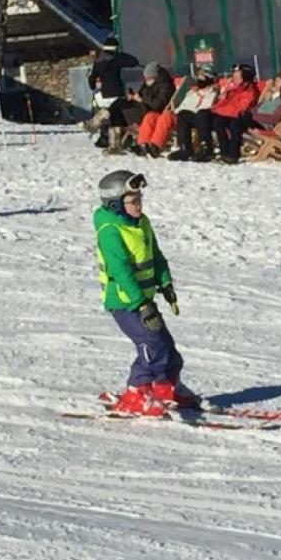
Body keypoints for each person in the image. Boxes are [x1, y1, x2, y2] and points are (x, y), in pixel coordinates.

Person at [94, 170, 199, 415]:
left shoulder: (142, 223)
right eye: (133, 201)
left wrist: (166, 284)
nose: (139, 205)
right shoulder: (110, 230)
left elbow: (156, 256)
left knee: (167, 347)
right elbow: (120, 270)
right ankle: (136, 392)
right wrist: (141, 304)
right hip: (125, 302)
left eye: (140, 199)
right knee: (150, 345)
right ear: (116, 204)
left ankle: (168, 387)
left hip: (144, 299)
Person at [86, 36, 140, 149]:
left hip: (102, 94)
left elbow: (91, 79)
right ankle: (115, 141)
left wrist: (93, 86)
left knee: (108, 113)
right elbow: (134, 62)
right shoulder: (116, 59)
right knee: (116, 114)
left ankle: (101, 134)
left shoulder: (99, 60)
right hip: (116, 93)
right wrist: (121, 54)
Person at [209, 63, 261, 164]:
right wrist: (214, 109)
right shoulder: (234, 89)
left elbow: (240, 108)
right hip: (230, 115)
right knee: (217, 121)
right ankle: (224, 152)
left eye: (237, 74)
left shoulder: (249, 91)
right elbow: (224, 104)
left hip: (244, 118)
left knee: (233, 124)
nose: (233, 76)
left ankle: (233, 154)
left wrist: (218, 111)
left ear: (245, 76)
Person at [168, 65, 220, 161]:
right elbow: (186, 106)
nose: (199, 79)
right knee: (183, 114)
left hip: (209, 117)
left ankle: (206, 148)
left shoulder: (215, 91)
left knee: (202, 113)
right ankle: (185, 148)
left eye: (202, 76)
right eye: (198, 76)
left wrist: (211, 91)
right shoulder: (194, 91)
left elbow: (212, 104)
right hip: (196, 115)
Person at [132, 62, 176, 156]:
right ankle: (143, 144)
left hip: (165, 111)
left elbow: (159, 104)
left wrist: (142, 99)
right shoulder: (147, 85)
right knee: (149, 117)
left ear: (155, 76)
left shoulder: (166, 86)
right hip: (153, 111)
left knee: (163, 118)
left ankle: (155, 146)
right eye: (146, 78)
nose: (147, 80)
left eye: (149, 78)